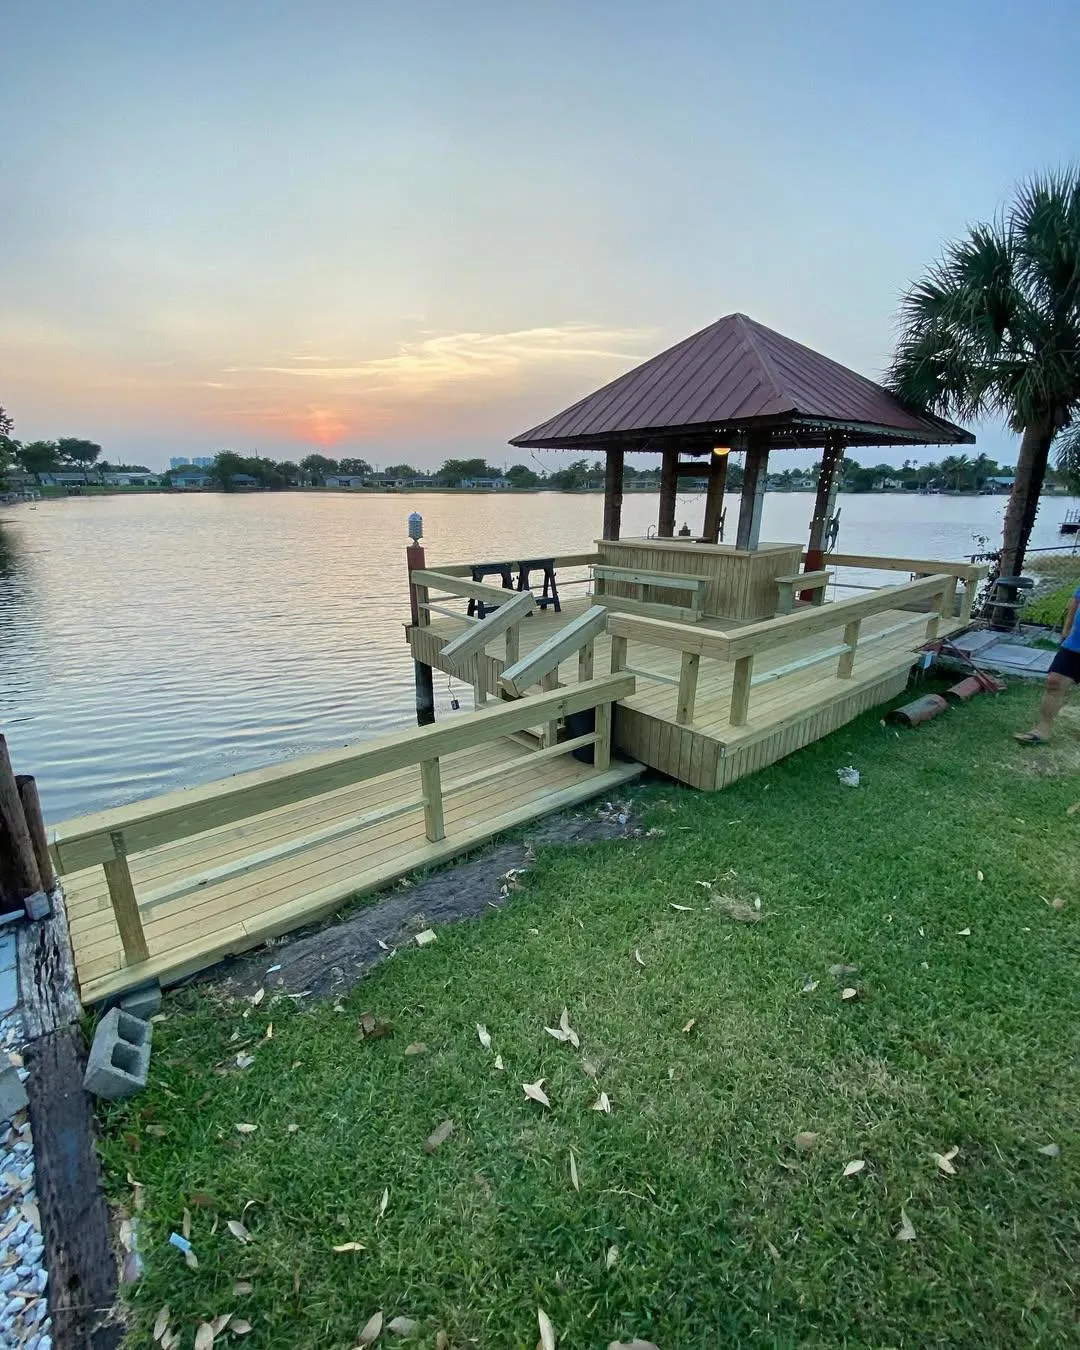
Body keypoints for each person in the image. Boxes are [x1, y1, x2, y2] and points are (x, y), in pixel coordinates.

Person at [1015, 581, 1080, 743]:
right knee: (1054, 681)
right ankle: (1042, 730)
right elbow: (1076, 600)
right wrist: (1066, 629)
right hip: (1076, 643)